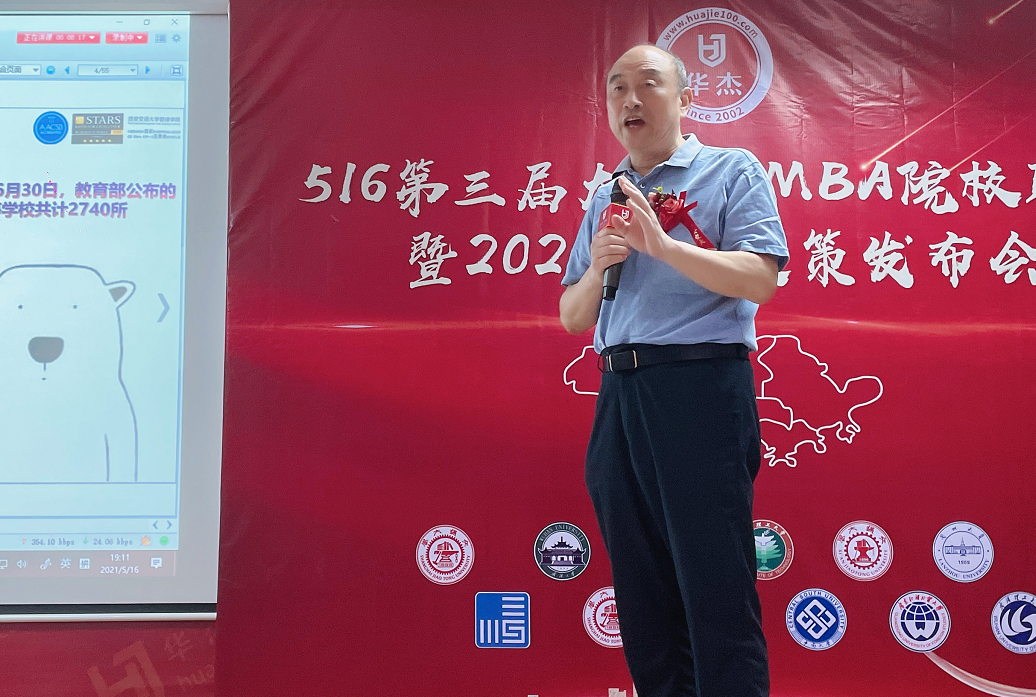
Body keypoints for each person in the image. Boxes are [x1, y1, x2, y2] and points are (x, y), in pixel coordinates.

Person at [559, 44, 789, 697]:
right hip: (620, 392)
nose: (630, 99)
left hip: (699, 387)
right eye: (617, 87)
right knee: (641, 590)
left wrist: (662, 247)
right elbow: (573, 315)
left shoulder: (730, 170)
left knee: (714, 584)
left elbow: (761, 277)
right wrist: (601, 266)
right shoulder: (605, 195)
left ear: (686, 99)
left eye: (649, 84)